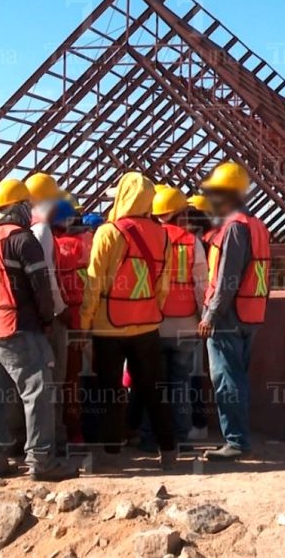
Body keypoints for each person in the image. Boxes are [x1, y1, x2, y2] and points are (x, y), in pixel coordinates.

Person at [0, 179, 78, 482]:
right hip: (19, 326)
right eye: (26, 207)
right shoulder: (23, 239)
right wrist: (48, 319)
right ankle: (42, 461)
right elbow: (41, 288)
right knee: (38, 394)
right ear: (18, 208)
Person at [78, 172, 176, 470]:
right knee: (153, 389)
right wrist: (148, 310)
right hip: (148, 326)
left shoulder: (108, 233)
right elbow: (163, 285)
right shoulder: (163, 235)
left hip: (109, 327)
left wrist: (84, 324)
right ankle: (169, 450)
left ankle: (110, 454)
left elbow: (94, 283)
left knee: (110, 391)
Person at [198, 162, 271, 460]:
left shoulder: (233, 229)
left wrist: (210, 315)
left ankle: (236, 441)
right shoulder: (257, 226)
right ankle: (238, 437)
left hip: (229, 316)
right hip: (252, 313)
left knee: (227, 378)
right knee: (237, 376)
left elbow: (227, 280)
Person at [145, 187, 209, 450]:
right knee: (180, 383)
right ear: (180, 214)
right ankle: (180, 436)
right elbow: (201, 284)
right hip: (185, 324)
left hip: (153, 323)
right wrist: (203, 316)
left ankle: (150, 439)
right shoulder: (189, 241)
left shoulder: (149, 239)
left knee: (152, 383)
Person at [24, 172, 70, 449]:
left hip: (25, 317)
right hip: (48, 316)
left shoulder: (22, 226)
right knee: (54, 378)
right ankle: (52, 438)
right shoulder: (41, 230)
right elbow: (47, 277)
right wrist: (59, 311)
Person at [50, 199, 90, 445]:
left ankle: (69, 433)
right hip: (88, 317)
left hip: (64, 318)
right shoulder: (88, 242)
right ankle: (82, 433)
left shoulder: (55, 246)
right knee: (83, 379)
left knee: (66, 381)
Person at [185, 194, 214, 441]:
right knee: (195, 372)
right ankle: (197, 421)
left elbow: (199, 283)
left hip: (193, 315)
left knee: (190, 373)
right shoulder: (211, 242)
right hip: (202, 313)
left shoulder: (195, 243)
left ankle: (196, 421)